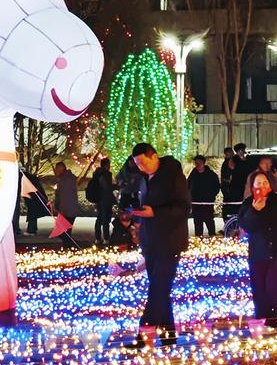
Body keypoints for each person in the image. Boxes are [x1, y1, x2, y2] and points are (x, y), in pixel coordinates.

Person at [128, 142, 190, 341]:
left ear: (154, 156)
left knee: (158, 288)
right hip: (151, 242)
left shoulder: (173, 176)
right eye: (138, 165)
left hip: (170, 240)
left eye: (144, 163)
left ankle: (144, 334)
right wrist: (137, 219)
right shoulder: (145, 178)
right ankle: (169, 335)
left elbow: (183, 207)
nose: (141, 168)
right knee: (160, 288)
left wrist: (155, 212)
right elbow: (147, 206)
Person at [236, 170, 277, 326]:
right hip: (258, 254)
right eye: (258, 183)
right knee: (260, 290)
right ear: (252, 186)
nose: (262, 186)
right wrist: (255, 211)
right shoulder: (248, 203)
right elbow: (245, 226)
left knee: (275, 288)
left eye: (265, 182)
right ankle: (267, 321)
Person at [188, 156, 221, 237]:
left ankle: (212, 235)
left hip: (208, 201)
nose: (197, 165)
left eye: (199, 163)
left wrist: (211, 195)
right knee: (197, 221)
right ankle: (199, 237)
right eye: (196, 163)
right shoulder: (193, 174)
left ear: (203, 163)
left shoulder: (211, 174)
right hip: (196, 202)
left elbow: (216, 186)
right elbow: (188, 186)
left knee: (209, 220)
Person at [88, 157, 116, 245]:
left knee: (100, 218)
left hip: (98, 199)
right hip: (105, 199)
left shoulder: (96, 173)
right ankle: (106, 238)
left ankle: (98, 237)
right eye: (109, 164)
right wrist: (117, 186)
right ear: (106, 165)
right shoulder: (106, 174)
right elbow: (107, 188)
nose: (110, 166)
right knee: (105, 219)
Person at [53, 161, 80, 246]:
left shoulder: (65, 180)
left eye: (57, 169)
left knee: (64, 233)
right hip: (68, 210)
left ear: (61, 169)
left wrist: (59, 209)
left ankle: (70, 246)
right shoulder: (67, 178)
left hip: (67, 210)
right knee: (65, 232)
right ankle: (68, 246)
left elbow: (64, 197)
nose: (55, 171)